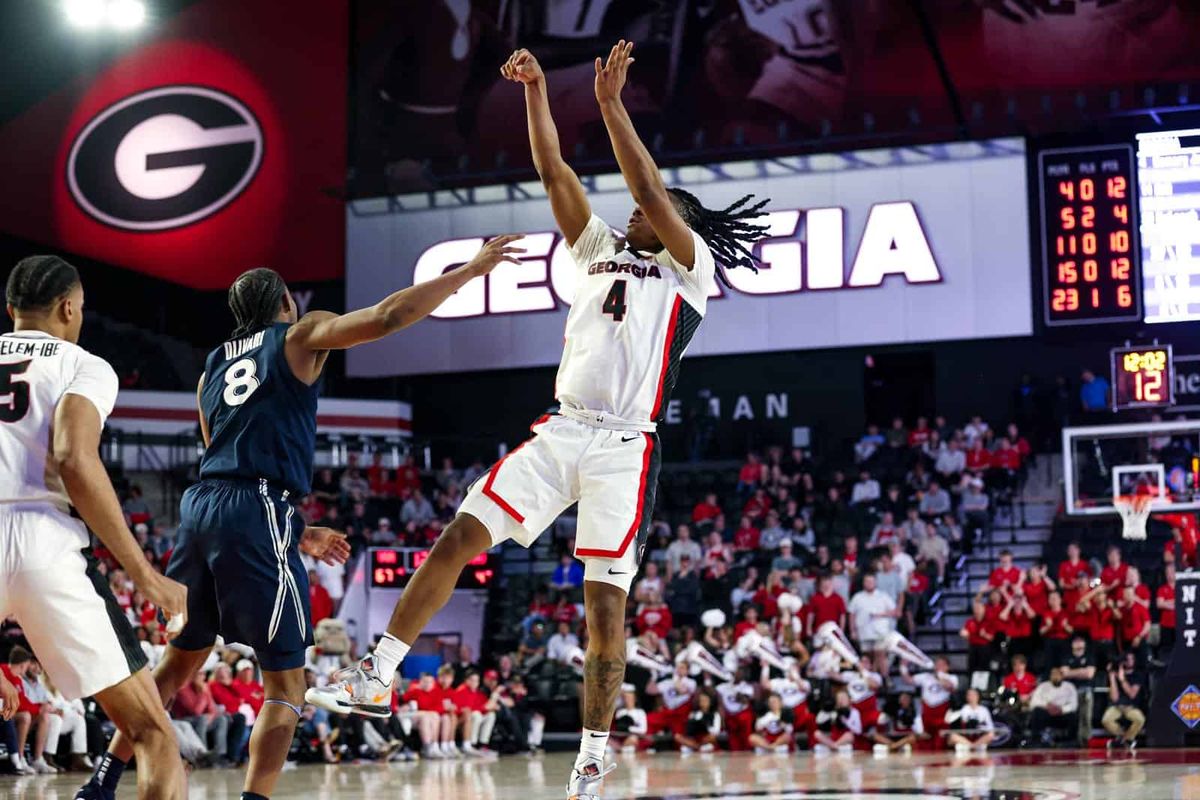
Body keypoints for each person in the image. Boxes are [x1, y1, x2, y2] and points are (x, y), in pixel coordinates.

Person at [308, 42, 769, 800]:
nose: (634, 209)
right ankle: (377, 671)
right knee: (458, 535)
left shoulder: (691, 271)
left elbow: (652, 190)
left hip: (626, 447)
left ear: (679, 222)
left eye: (655, 208)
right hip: (562, 430)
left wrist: (614, 105)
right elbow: (555, 172)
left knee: (603, 608)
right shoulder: (596, 252)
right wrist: (534, 93)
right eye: (635, 206)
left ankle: (592, 753)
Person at [78, 238, 517, 800]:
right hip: (256, 504)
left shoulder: (211, 366)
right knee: (287, 683)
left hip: (203, 504)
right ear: (286, 302)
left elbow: (220, 449)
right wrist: (470, 271)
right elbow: (386, 317)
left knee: (177, 664)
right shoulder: (300, 334)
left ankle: (100, 783)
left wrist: (295, 528)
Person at [1, 256, 188, 799]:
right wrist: (146, 575)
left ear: (11, 310)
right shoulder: (84, 364)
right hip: (45, 540)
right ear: (67, 308)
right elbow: (74, 458)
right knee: (151, 733)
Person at [1103, 651, 1146, 750]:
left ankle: (1121, 741)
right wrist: (1112, 678)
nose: (1130, 662)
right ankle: (1126, 739)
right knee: (1106, 720)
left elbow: (1132, 694)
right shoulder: (1115, 674)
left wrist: (1122, 680)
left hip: (1130, 706)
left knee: (1140, 719)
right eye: (1127, 659)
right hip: (1116, 706)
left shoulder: (1137, 675)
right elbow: (1114, 698)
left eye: (1132, 659)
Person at [1027, 667, 1078, 747]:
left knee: (1073, 716)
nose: (1055, 677)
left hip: (1062, 714)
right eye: (1053, 674)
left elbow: (1074, 705)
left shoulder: (1069, 687)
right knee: (1036, 711)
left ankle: (1070, 741)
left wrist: (1061, 709)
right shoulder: (1043, 686)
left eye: (1057, 674)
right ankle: (1036, 740)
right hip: (1046, 713)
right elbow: (1033, 702)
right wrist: (1047, 706)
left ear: (1062, 676)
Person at [945, 689, 996, 754]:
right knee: (952, 736)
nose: (971, 697)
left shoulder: (984, 710)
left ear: (978, 696)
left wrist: (980, 726)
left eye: (973, 695)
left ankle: (971, 746)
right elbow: (948, 720)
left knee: (991, 735)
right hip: (965, 736)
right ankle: (973, 746)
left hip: (978, 735)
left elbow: (990, 726)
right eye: (969, 695)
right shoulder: (963, 708)